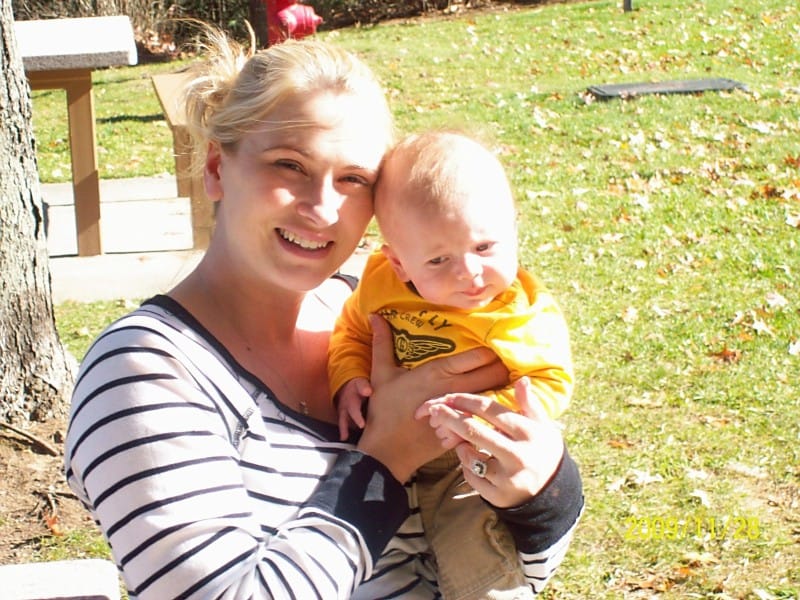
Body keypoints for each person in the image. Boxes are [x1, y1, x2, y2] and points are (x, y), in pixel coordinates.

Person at [63, 26, 583, 600]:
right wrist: (386, 457)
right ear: (215, 168)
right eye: (290, 166)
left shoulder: (383, 306)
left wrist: (540, 492)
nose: (323, 209)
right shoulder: (143, 372)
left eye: (353, 179)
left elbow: (512, 572)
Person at [329, 130, 574, 599]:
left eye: (485, 248)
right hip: (382, 451)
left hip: (468, 461)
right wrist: (350, 378)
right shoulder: (380, 286)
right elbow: (353, 333)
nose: (470, 272)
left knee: (476, 559)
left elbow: (550, 379)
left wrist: (489, 414)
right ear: (399, 264)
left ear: (514, 231)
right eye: (439, 259)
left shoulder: (518, 313)